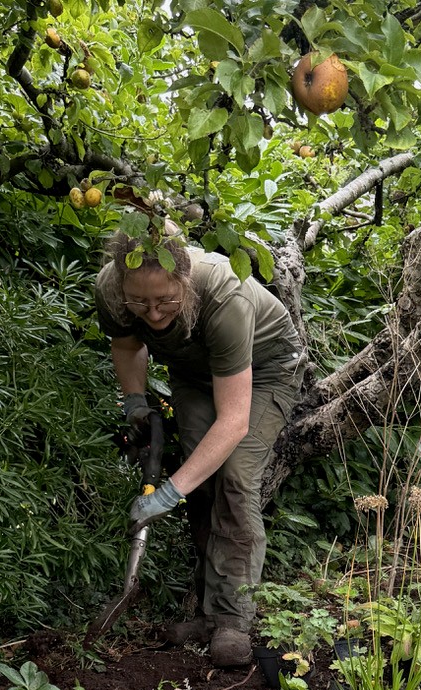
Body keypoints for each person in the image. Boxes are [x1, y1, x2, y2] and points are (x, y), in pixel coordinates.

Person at [95, 231, 305, 667]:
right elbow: (126, 344)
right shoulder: (112, 289)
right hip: (193, 375)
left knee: (233, 477)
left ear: (185, 283)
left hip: (267, 369)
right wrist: (135, 400)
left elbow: (233, 421)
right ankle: (208, 615)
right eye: (140, 303)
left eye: (165, 301)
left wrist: (169, 492)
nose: (152, 313)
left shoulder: (225, 295)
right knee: (200, 479)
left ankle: (232, 621)